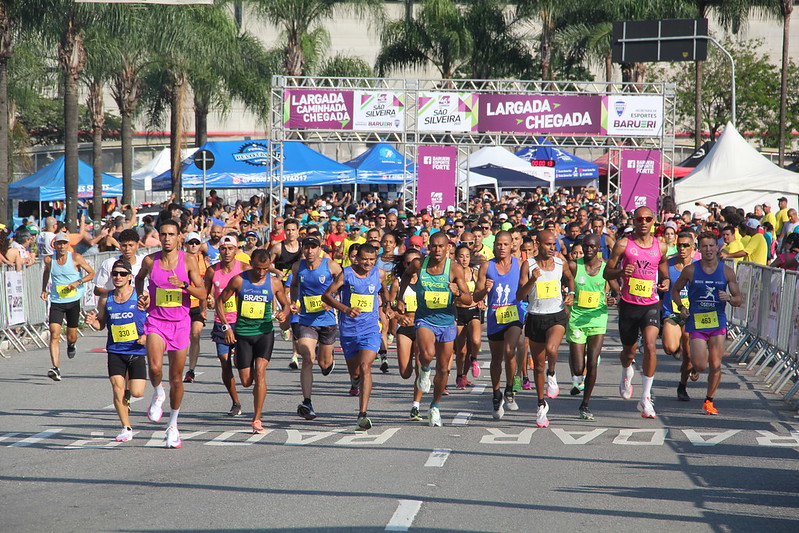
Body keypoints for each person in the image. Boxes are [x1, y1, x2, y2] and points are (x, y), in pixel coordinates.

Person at [135, 219, 206, 449]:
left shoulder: (189, 260)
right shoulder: (150, 260)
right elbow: (138, 280)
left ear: (178, 238)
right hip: (156, 321)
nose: (167, 238)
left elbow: (203, 292)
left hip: (180, 323)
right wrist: (142, 295)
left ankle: (173, 425)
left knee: (176, 378)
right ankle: (158, 393)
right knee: (155, 368)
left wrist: (184, 286)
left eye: (171, 234)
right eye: (163, 234)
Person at [396, 232, 473, 427]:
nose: (437, 250)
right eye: (434, 246)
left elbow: (468, 299)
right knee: (427, 354)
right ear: (428, 247)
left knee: (445, 369)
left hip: (447, 322)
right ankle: (424, 370)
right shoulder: (419, 265)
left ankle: (435, 406)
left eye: (441, 246)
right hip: (425, 319)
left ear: (448, 248)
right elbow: (405, 276)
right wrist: (400, 298)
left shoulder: (454, 268)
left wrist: (457, 293)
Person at [603, 207, 669, 419]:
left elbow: (663, 264)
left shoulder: (660, 245)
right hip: (629, 304)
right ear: (634, 220)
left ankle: (646, 397)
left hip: (651, 304)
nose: (643, 222)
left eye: (648, 219)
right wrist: (621, 273)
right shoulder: (624, 244)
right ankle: (626, 372)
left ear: (654, 221)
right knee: (629, 352)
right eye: (639, 218)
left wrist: (665, 280)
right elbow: (607, 272)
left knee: (650, 345)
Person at [216, 249, 290, 434]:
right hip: (243, 334)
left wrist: (284, 313)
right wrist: (226, 327)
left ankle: (257, 418)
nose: (261, 272)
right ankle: (238, 359)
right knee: (247, 381)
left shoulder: (274, 283)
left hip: (265, 333)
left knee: (260, 373)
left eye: (265, 269)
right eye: (258, 268)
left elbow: (286, 304)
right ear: (251, 263)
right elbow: (220, 302)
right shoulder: (239, 280)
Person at [671, 231, 743, 415]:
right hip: (697, 323)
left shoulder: (726, 271)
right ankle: (695, 368)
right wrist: (681, 307)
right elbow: (675, 291)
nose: (708, 249)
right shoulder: (691, 270)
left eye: (711, 246)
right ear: (699, 249)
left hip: (717, 322)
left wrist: (728, 298)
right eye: (705, 246)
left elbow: (739, 299)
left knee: (716, 363)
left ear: (717, 248)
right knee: (701, 365)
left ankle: (709, 401)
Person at [322, 243, 388, 430]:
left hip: (370, 330)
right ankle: (354, 380)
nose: (368, 263)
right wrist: (345, 309)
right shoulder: (347, 274)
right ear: (356, 258)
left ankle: (362, 414)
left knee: (365, 366)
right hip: (349, 330)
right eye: (364, 259)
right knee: (356, 372)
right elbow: (326, 296)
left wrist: (389, 304)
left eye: (371, 259)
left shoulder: (379, 273)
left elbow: (384, 288)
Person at [517, 229, 575, 428]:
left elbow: (569, 277)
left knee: (552, 349)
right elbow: (519, 295)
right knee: (538, 366)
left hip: (556, 315)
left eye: (554, 245)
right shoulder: (528, 265)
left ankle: (553, 374)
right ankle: (541, 404)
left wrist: (572, 293)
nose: (552, 248)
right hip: (535, 317)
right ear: (538, 245)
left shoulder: (560, 262)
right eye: (548, 244)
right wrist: (533, 279)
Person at [85, 259, 147, 443]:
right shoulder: (106, 298)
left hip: (136, 349)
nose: (118, 277)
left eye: (122, 274)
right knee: (117, 388)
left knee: (136, 393)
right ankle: (126, 427)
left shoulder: (140, 296)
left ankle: (128, 393)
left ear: (130, 277)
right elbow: (101, 324)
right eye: (115, 274)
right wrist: (92, 322)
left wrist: (147, 335)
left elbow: (154, 319)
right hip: (115, 350)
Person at [473, 231, 526, 419]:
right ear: (494, 245)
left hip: (514, 314)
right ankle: (497, 394)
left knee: (510, 350)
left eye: (505, 244)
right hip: (495, 316)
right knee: (496, 359)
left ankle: (510, 389)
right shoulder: (487, 266)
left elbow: (526, 289)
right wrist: (485, 291)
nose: (502, 248)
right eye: (498, 244)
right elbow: (477, 295)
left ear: (512, 244)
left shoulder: (520, 265)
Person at [566, 234, 618, 420]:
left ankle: (585, 404)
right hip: (577, 319)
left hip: (597, 319)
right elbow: (562, 285)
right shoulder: (574, 266)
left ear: (599, 249)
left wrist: (613, 299)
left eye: (592, 247)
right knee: (579, 368)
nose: (588, 249)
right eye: (586, 246)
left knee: (593, 362)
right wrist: (567, 297)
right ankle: (578, 376)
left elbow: (617, 291)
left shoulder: (605, 268)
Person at [290, 236, 341, 420]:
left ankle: (328, 357)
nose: (310, 251)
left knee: (324, 364)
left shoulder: (331, 266)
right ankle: (307, 402)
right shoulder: (298, 267)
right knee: (307, 358)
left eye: (313, 247)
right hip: (307, 320)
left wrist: (333, 300)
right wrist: (293, 301)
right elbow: (294, 285)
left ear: (320, 249)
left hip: (327, 321)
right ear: (302, 249)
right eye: (306, 247)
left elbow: (343, 285)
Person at [200, 234, 247, 414]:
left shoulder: (244, 268)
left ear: (236, 250)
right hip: (222, 321)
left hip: (242, 321)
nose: (226, 252)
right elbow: (206, 292)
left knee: (243, 370)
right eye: (223, 249)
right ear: (218, 250)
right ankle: (235, 402)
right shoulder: (213, 271)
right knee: (224, 361)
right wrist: (207, 305)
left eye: (230, 248)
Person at [41, 233, 96, 381]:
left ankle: (71, 345)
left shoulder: (75, 257)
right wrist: (44, 289)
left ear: (68, 245)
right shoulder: (49, 260)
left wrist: (78, 282)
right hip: (57, 301)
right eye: (59, 244)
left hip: (73, 301)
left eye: (65, 243)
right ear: (55, 245)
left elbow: (91, 273)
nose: (62, 246)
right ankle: (56, 368)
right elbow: (46, 273)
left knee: (71, 336)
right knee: (54, 334)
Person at [661, 232, 699, 402]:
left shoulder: (699, 267)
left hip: (692, 316)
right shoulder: (667, 265)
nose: (682, 249)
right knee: (669, 348)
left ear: (692, 247)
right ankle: (677, 349)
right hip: (672, 313)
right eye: (679, 245)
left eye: (686, 245)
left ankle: (682, 386)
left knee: (690, 356)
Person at [182, 231, 211, 388]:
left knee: (195, 334)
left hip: (198, 305)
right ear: (186, 244)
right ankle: (180, 364)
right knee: (182, 338)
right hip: (182, 304)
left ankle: (191, 370)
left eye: (196, 243)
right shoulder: (180, 260)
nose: (193, 245)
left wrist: (206, 303)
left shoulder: (204, 262)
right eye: (191, 243)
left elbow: (207, 284)